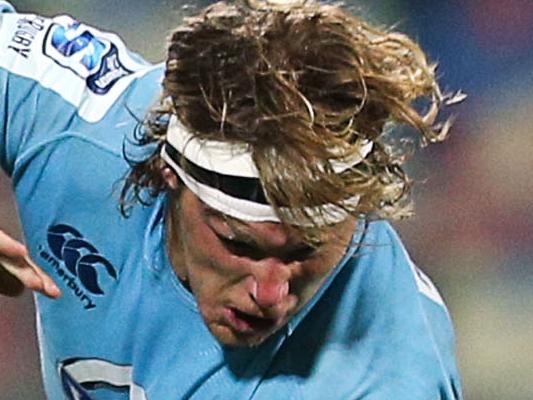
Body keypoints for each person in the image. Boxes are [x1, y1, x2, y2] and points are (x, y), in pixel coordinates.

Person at [0, 0, 465, 399]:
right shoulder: (85, 126)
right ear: (169, 174)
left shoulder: (385, 378)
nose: (270, 294)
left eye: (305, 251)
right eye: (240, 244)